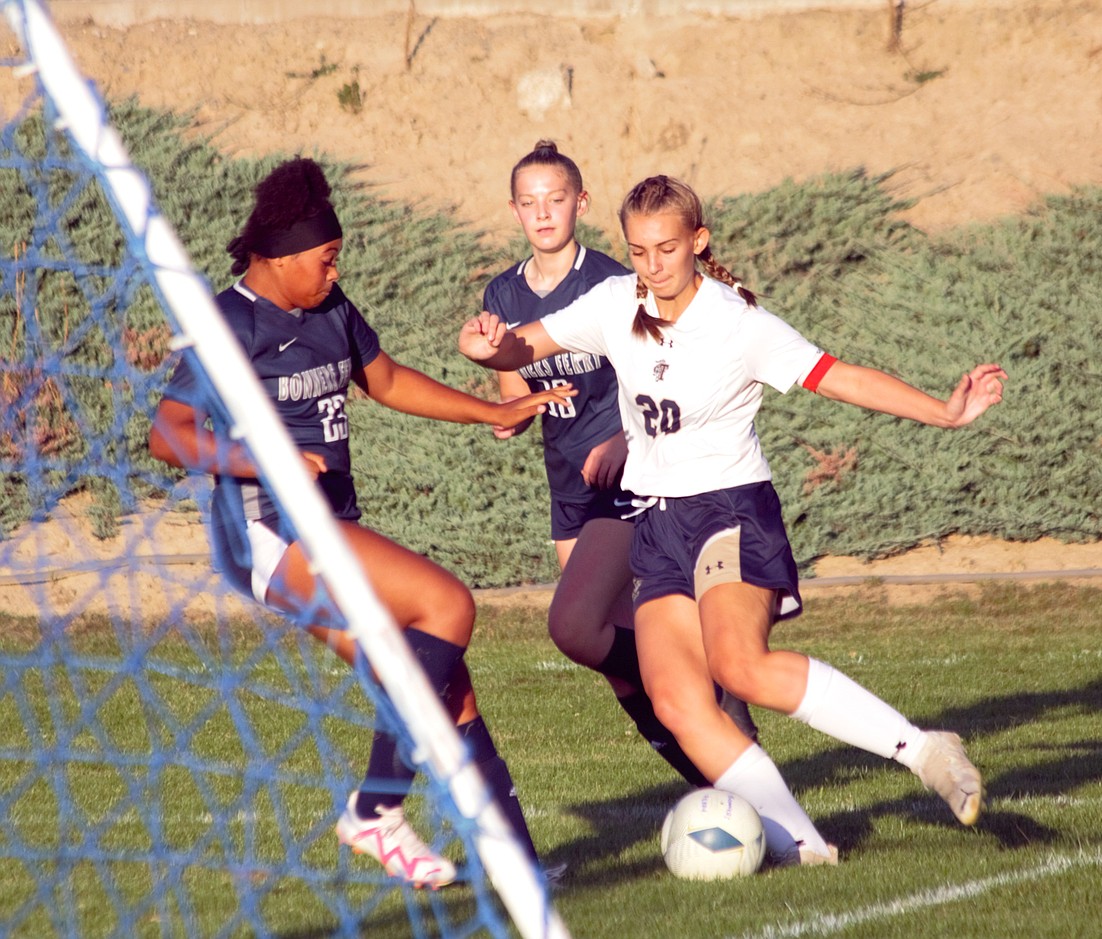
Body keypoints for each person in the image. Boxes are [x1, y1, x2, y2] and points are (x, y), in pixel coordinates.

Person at [459, 174, 1005, 865]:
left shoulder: (738, 324)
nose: (652, 266)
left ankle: (926, 749)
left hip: (729, 511)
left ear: (698, 241)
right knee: (679, 701)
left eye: (666, 248)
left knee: (739, 666)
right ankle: (805, 847)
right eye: (638, 250)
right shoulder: (612, 301)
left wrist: (946, 411)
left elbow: (840, 376)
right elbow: (523, 346)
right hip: (655, 524)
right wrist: (489, 347)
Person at [149, 157, 574, 888]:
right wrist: (265, 459)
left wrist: (493, 409)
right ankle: (376, 810)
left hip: (326, 524)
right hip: (271, 530)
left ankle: (519, 871)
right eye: (325, 259)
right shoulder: (228, 319)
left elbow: (386, 380)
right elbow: (169, 434)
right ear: (278, 259)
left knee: (442, 687)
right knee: (448, 604)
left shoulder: (331, 310)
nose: (332, 271)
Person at [484, 141, 753, 789]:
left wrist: (631, 440)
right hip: (570, 492)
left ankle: (737, 752)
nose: (543, 214)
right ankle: (711, 772)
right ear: (515, 210)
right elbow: (513, 400)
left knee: (615, 627)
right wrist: (507, 409)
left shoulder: (611, 284)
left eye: (556, 199)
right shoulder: (502, 292)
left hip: (633, 480)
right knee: (612, 652)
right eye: (529, 202)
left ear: (581, 202)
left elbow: (660, 376)